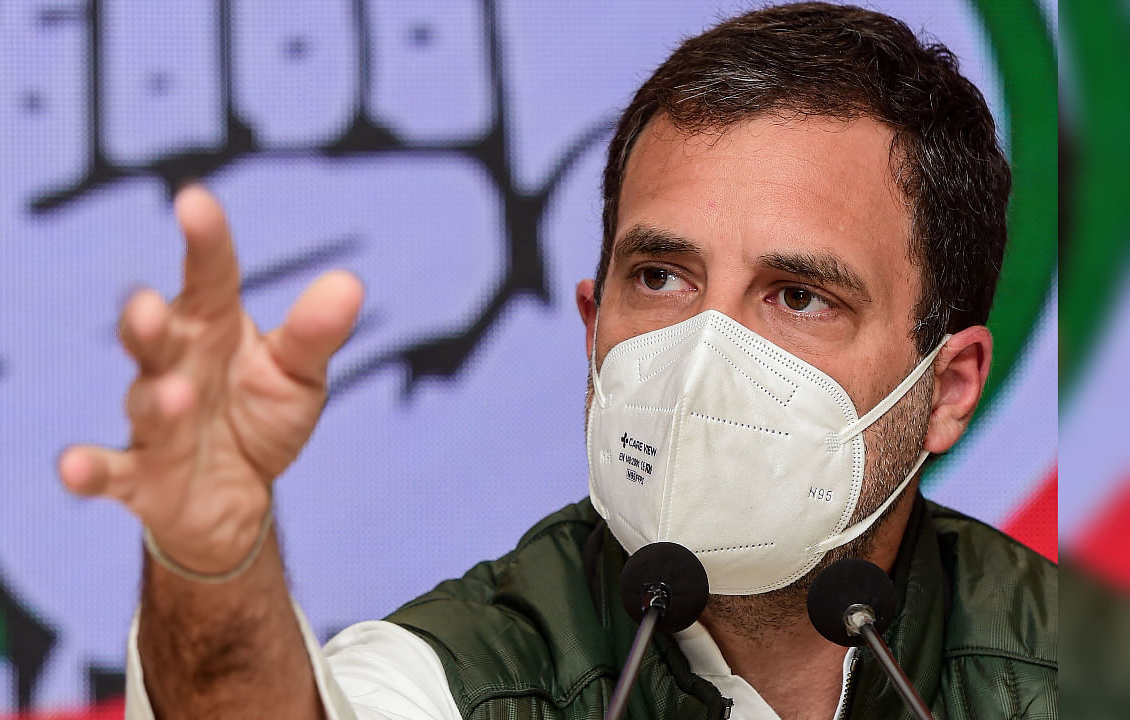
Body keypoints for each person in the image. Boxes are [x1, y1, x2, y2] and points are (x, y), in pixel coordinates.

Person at [58, 4, 1057, 718]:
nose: (701, 357)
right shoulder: (472, 669)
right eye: (660, 279)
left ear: (946, 389)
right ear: (591, 324)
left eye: (796, 297)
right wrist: (212, 561)